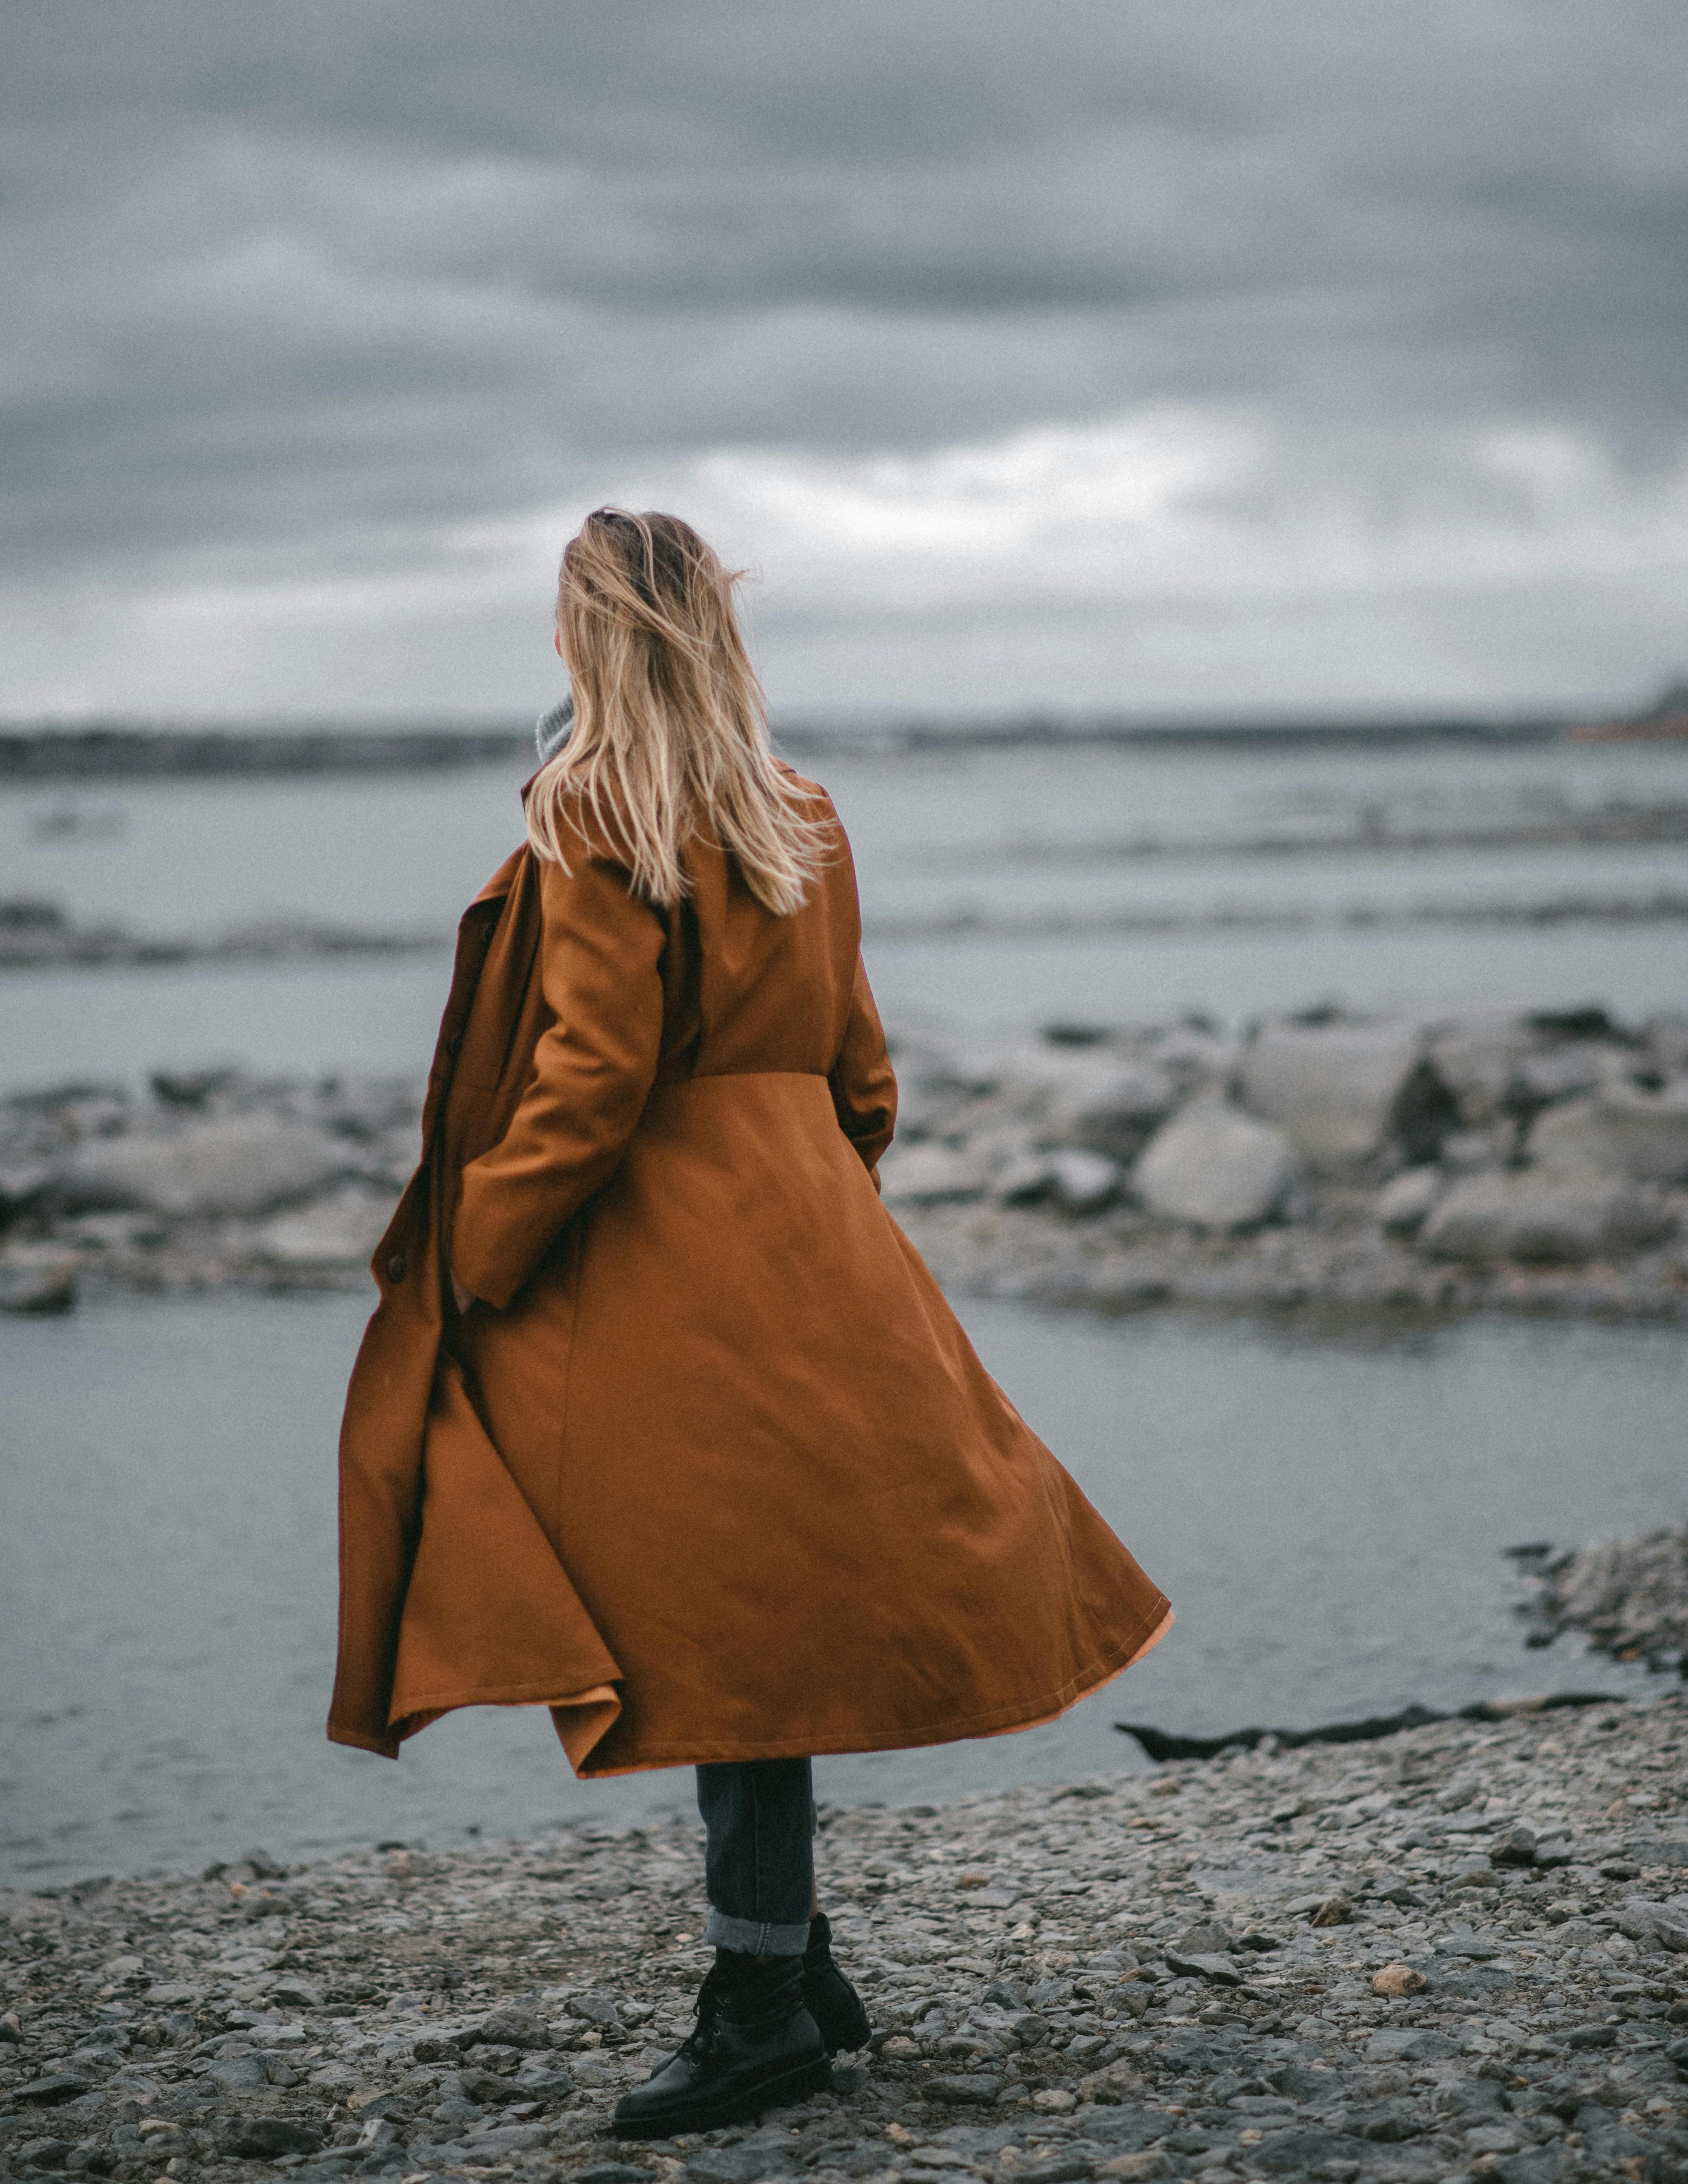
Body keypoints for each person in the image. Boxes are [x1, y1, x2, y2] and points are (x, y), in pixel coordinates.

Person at [328, 508, 1172, 2139]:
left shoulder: (598, 810)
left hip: (670, 1254)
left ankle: (762, 2003)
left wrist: (470, 1257)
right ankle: (792, 1958)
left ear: (586, 638)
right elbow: (865, 1071)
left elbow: (586, 1085)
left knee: (709, 1632)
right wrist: (807, 1206)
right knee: (760, 1617)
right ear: (716, 629)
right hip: (813, 1237)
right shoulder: (804, 814)